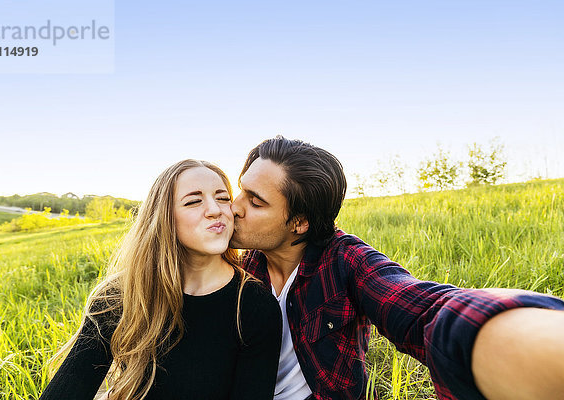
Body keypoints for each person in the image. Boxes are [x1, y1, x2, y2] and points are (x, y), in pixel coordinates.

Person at [230, 136, 564, 400]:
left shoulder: (346, 262)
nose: (234, 207)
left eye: (255, 201)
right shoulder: (236, 266)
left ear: (300, 222)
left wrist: (520, 337)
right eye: (240, 190)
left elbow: (423, 310)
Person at [39, 159, 282, 400]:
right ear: (164, 218)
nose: (215, 209)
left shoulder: (254, 306)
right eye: (194, 201)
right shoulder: (120, 296)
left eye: (222, 198)